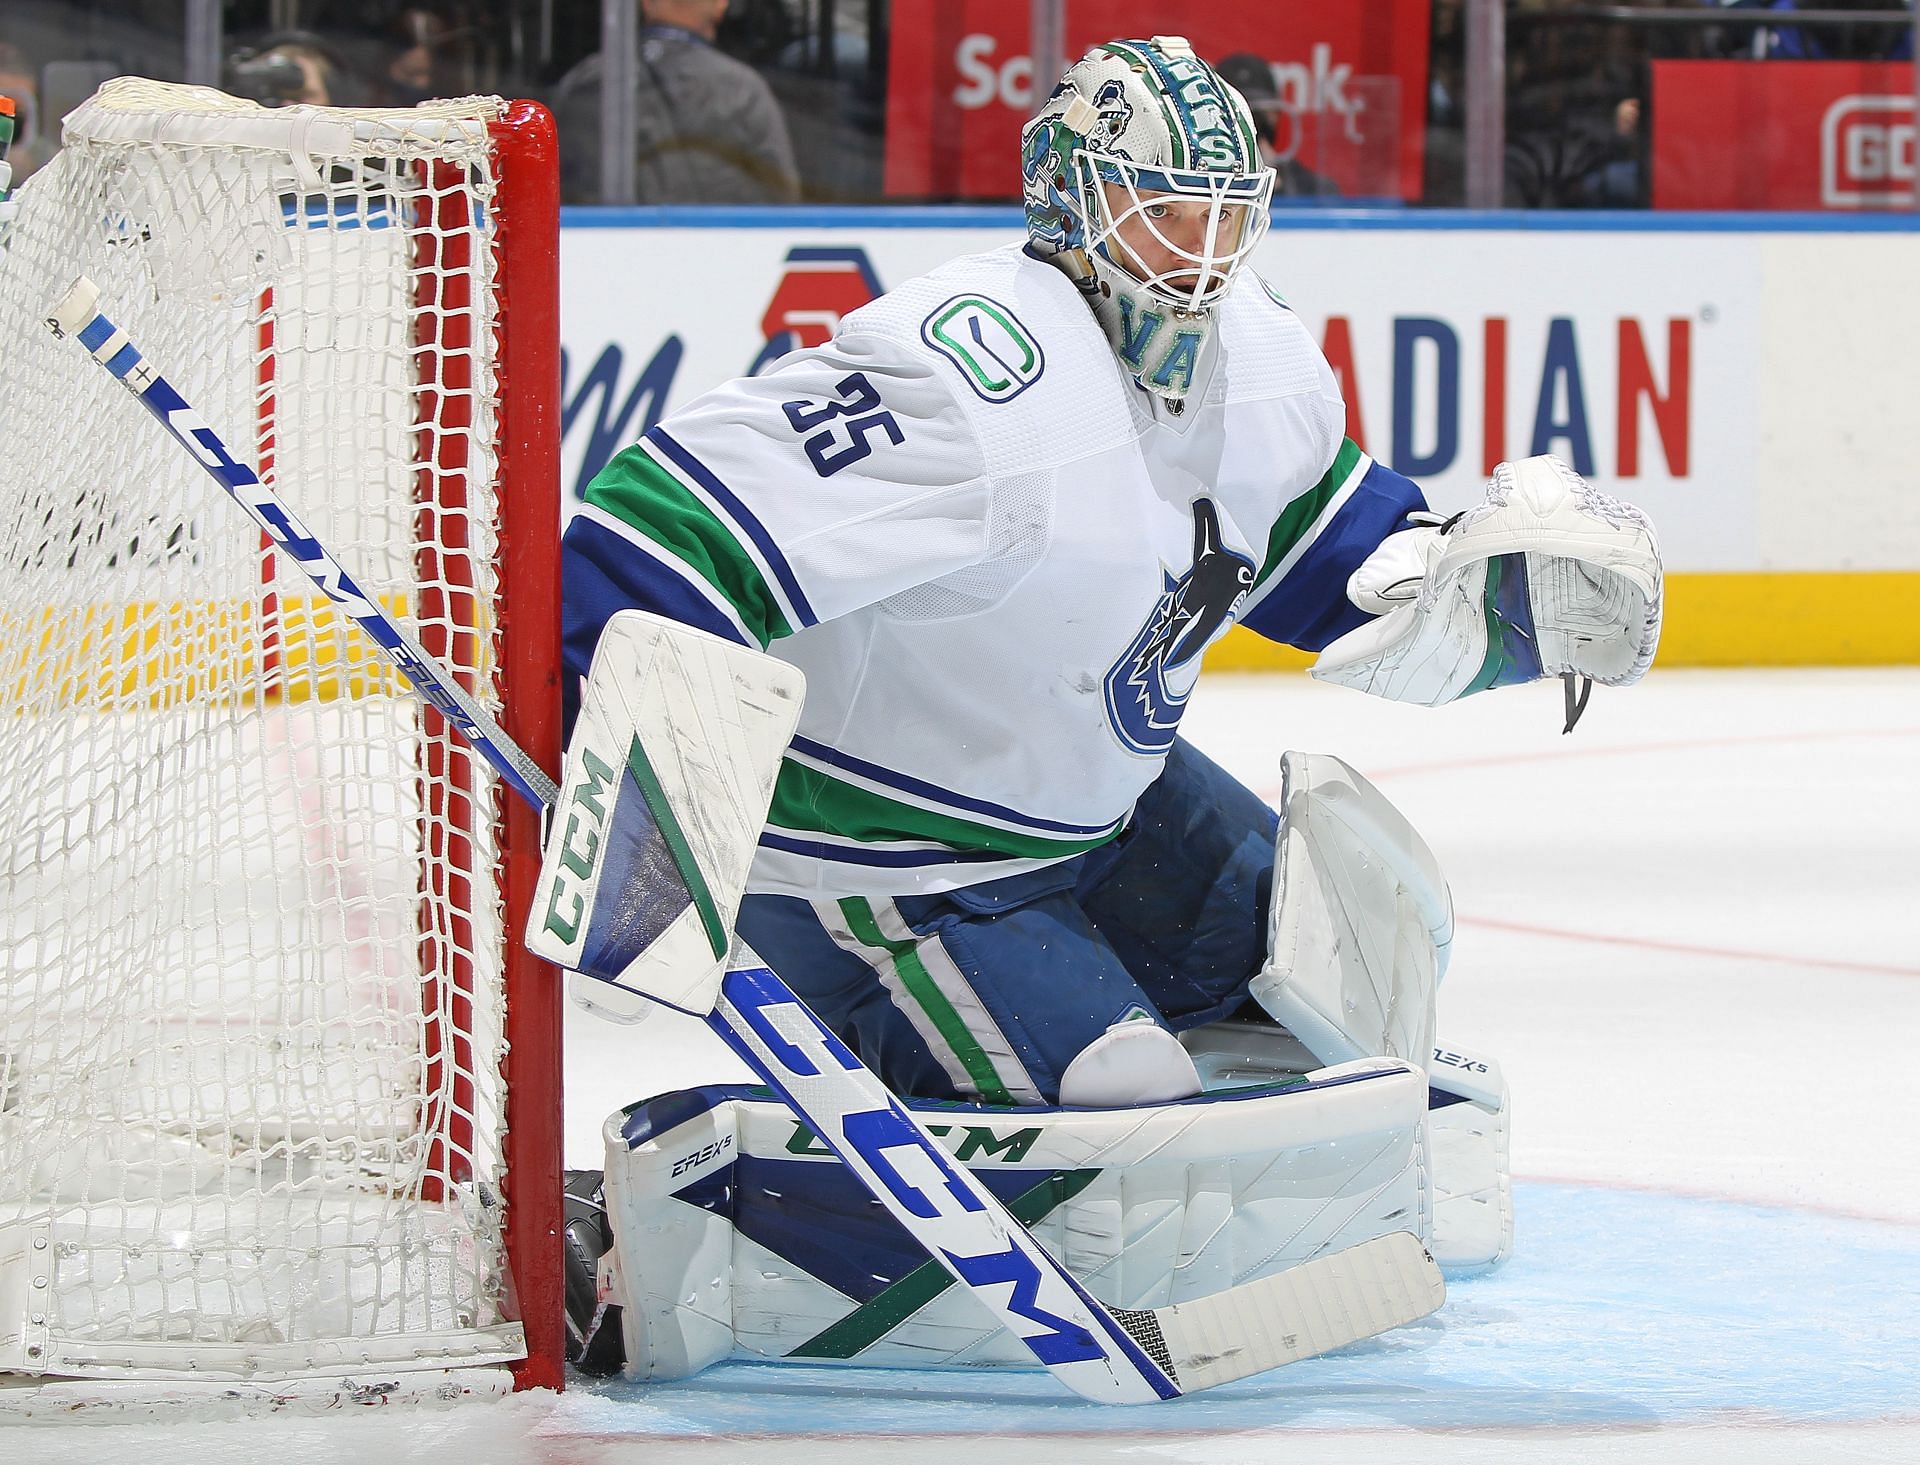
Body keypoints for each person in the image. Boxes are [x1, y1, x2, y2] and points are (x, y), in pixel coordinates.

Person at [557, 36, 1659, 1373]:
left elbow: (1329, 564)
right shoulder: (962, 373)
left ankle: (1069, 1116)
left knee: (1339, 960)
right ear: (1071, 202)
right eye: (1161, 208)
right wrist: (636, 819)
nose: (1199, 249)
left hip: (1102, 811)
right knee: (1125, 1101)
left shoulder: (1256, 350)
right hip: (901, 863)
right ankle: (681, 1211)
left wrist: (1493, 609)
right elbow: (652, 539)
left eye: (1225, 212)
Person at [550, 0, 799, 204]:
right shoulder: (743, 89)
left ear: (646, 4)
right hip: (718, 257)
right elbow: (781, 199)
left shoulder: (585, 81)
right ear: (721, 5)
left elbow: (551, 187)